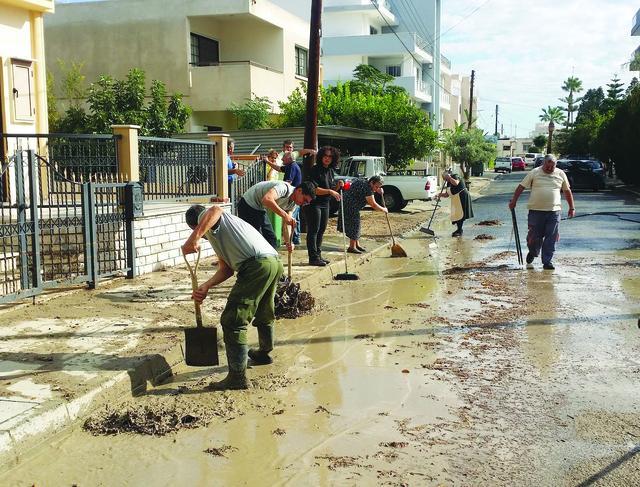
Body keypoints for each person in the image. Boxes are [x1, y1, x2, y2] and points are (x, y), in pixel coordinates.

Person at [182, 205, 284, 390]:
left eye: (197, 229)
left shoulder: (210, 217)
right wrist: (206, 286)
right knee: (263, 310)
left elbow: (214, 210)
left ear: (196, 224)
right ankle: (263, 353)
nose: (202, 235)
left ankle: (237, 378)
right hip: (273, 263)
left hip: (257, 265)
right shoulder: (221, 234)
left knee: (232, 320)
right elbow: (226, 269)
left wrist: (193, 237)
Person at [508, 154, 575, 270]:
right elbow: (521, 187)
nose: (549, 169)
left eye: (552, 167)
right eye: (547, 166)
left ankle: (547, 261)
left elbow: (567, 191)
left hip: (554, 211)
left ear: (555, 165)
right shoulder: (534, 172)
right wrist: (514, 201)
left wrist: (572, 208)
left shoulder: (560, 174)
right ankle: (533, 252)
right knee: (534, 237)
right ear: (543, 163)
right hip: (535, 211)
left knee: (551, 237)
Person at [237, 180, 316, 249]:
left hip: (259, 208)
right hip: (247, 204)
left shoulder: (294, 204)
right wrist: (285, 215)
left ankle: (272, 263)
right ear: (299, 190)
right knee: (257, 239)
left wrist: (288, 243)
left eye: (306, 203)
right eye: (305, 200)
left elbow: (287, 224)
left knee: (271, 239)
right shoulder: (284, 188)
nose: (304, 203)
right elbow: (267, 199)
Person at [305, 146, 343, 266]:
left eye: (330, 157)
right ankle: (313, 257)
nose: (327, 159)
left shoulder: (330, 171)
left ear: (333, 159)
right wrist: (330, 191)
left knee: (321, 230)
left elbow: (330, 189)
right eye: (325, 156)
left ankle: (318, 255)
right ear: (321, 157)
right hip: (314, 203)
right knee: (313, 231)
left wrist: (337, 187)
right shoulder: (315, 169)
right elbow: (314, 189)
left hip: (325, 204)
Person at [337, 175, 387, 253]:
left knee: (356, 224)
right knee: (355, 225)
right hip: (350, 205)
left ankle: (357, 244)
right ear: (371, 183)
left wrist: (378, 191)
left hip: (346, 201)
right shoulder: (367, 189)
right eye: (376, 187)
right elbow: (373, 204)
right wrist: (384, 209)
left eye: (379, 187)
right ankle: (352, 247)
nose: (377, 189)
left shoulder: (363, 181)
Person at [438, 172, 474, 237]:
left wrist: (449, 178)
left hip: (462, 197)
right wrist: (440, 195)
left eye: (444, 178)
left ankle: (460, 230)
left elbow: (456, 183)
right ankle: (458, 229)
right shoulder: (448, 182)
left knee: (460, 214)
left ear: (447, 176)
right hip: (455, 199)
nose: (444, 180)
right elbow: (447, 194)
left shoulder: (455, 176)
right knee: (456, 214)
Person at [227, 139, 245, 206]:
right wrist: (235, 170)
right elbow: (223, 171)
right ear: (230, 148)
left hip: (230, 183)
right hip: (227, 184)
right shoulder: (225, 157)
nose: (233, 149)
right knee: (230, 203)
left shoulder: (227, 157)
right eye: (233, 147)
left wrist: (234, 165)